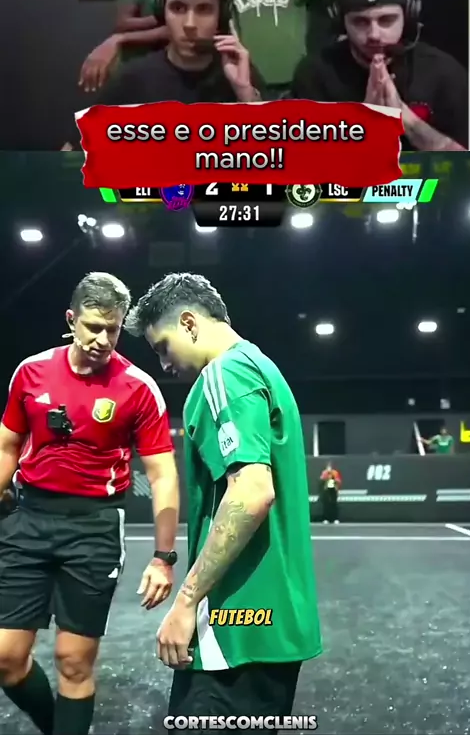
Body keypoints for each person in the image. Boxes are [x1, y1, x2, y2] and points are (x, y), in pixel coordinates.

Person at [124, 272, 322, 727]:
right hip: (270, 624)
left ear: (189, 323)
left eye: (163, 347)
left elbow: (251, 492)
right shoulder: (260, 367)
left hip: (236, 627)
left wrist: (186, 601)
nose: (163, 365)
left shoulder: (224, 374)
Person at [0, 272, 179, 735]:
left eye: (112, 329)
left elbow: (162, 474)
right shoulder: (31, 372)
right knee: (6, 658)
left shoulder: (138, 387)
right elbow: (7, 446)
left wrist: (163, 557)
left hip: (93, 529)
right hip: (28, 520)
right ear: (71, 320)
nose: (102, 339)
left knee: (73, 661)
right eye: (93, 327)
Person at [291, 0, 468, 151]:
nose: (374, 35)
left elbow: (466, 163)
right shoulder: (314, 73)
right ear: (342, 23)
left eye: (386, 20)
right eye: (360, 21)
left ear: (407, 19)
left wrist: (407, 121)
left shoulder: (445, 73)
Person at [95, 0, 264, 107]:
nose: (190, 24)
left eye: (203, 9)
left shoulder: (242, 74)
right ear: (162, 13)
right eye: (178, 8)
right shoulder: (131, 81)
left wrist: (245, 93)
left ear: (221, 18)